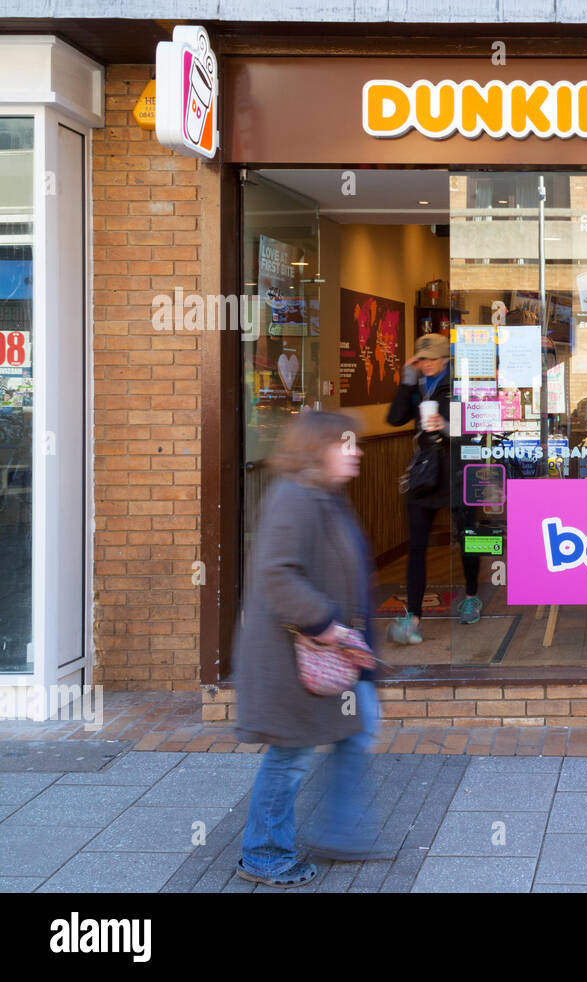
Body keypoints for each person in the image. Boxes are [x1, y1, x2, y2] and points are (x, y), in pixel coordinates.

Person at [234, 409, 380, 888]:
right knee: (289, 756)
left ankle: (338, 831)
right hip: (291, 658)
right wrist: (329, 627)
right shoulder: (294, 498)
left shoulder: (323, 496)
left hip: (323, 657)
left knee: (350, 733)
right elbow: (278, 575)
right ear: (318, 449)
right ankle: (264, 854)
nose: (357, 451)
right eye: (346, 443)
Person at [385, 333, 483, 640]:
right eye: (421, 359)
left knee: (469, 537)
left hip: (457, 470)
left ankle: (471, 595)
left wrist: (446, 426)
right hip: (425, 474)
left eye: (431, 359)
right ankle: (413, 616)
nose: (426, 364)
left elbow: (478, 426)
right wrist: (405, 381)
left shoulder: (459, 385)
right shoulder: (416, 384)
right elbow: (395, 418)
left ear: (445, 359)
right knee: (416, 547)